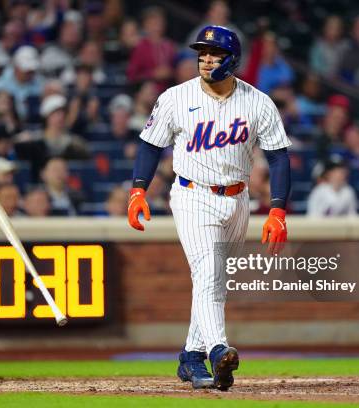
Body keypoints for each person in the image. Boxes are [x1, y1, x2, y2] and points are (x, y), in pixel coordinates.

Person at [126, 26, 291, 390]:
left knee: (215, 279)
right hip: (192, 193)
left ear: (231, 59)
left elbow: (279, 158)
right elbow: (150, 145)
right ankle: (218, 350)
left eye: (213, 53)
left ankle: (190, 355)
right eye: (201, 52)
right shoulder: (175, 97)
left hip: (238, 197)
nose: (205, 59)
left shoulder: (257, 102)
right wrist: (138, 189)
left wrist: (278, 209)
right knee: (209, 270)